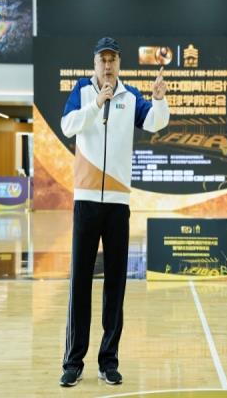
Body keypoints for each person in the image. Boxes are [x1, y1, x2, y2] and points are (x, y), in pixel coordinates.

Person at [59, 37, 170, 387]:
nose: (107, 66)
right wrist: (96, 104)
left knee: (115, 284)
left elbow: (155, 122)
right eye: (102, 60)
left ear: (119, 63)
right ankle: (73, 361)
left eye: (113, 60)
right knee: (80, 282)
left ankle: (108, 360)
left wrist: (159, 99)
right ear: (94, 63)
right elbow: (67, 125)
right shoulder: (81, 91)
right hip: (87, 200)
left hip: (118, 204)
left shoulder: (130, 96)